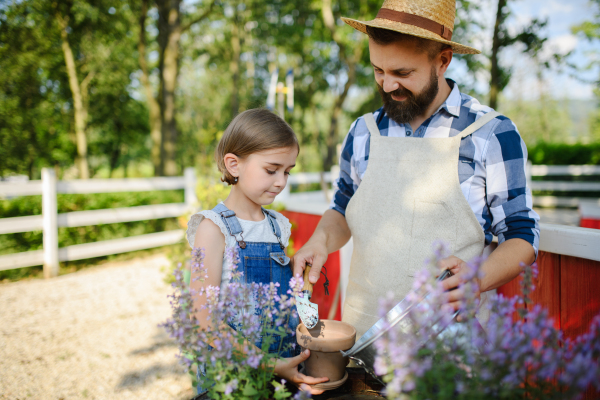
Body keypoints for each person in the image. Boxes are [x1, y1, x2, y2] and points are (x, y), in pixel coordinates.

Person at [292, 0, 541, 340]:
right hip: (363, 340)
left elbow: (521, 234)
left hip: (451, 350)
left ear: (442, 60)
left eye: (402, 73)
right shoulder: (363, 132)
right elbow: (341, 209)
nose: (387, 85)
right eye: (378, 70)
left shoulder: (492, 134)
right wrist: (320, 239)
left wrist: (477, 277)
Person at [187, 109, 328, 396]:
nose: (281, 182)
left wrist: (309, 320)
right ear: (234, 165)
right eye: (271, 169)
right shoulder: (212, 229)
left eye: (287, 171)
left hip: (282, 369)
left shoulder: (278, 227)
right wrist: (269, 364)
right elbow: (203, 318)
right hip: (232, 378)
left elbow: (287, 296)